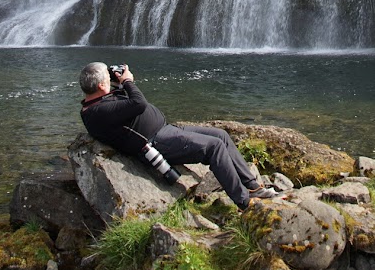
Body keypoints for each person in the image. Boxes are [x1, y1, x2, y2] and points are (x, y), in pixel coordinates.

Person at [79, 61, 281, 210]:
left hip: (167, 129)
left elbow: (125, 103)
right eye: (107, 78)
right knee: (214, 147)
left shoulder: (98, 101)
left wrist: (119, 82)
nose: (110, 79)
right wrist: (128, 81)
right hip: (156, 142)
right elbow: (138, 104)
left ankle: (253, 187)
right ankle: (244, 202)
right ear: (101, 86)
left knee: (221, 135)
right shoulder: (97, 113)